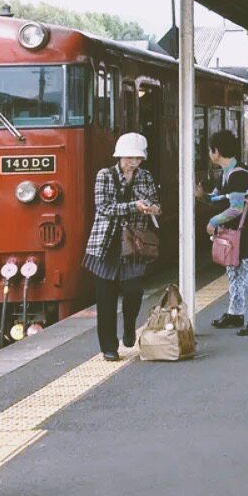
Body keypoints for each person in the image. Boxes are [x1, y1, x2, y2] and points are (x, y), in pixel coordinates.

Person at [82, 132, 161, 360]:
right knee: (105, 297)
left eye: (137, 159)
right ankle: (108, 347)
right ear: (119, 156)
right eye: (129, 158)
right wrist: (133, 207)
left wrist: (153, 208)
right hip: (105, 244)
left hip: (133, 244)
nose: (134, 163)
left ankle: (129, 328)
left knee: (134, 290)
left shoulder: (145, 176)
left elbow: (155, 202)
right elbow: (104, 207)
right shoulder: (104, 176)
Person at [199, 129, 248, 336]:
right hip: (235, 233)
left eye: (210, 150)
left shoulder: (238, 175)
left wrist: (213, 221)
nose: (209, 154)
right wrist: (202, 197)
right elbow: (218, 198)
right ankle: (235, 313)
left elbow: (236, 208)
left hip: (247, 233)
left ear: (217, 151)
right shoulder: (227, 173)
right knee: (234, 273)